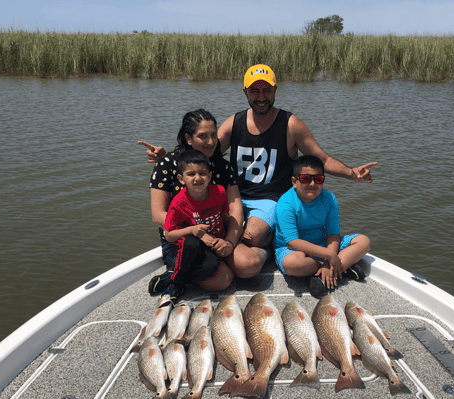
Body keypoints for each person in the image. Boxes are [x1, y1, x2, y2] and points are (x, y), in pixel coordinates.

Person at [139, 64, 377, 279]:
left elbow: (320, 158)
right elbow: (203, 152)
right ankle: (247, 255)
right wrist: (168, 157)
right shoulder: (234, 123)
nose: (261, 97)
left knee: (250, 234)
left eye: (267, 90)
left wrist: (351, 173)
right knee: (230, 231)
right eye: (255, 91)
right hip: (238, 197)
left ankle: (270, 250)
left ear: (275, 90)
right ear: (245, 92)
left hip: (271, 200)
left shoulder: (291, 124)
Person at [140, 109, 241, 297]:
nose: (211, 142)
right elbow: (158, 215)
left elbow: (234, 207)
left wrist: (229, 241)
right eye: (202, 136)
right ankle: (175, 276)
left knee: (247, 266)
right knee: (222, 280)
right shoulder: (167, 164)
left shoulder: (221, 166)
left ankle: (187, 272)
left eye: (213, 135)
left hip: (218, 232)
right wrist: (201, 235)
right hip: (183, 240)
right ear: (188, 138)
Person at [274, 155, 371, 298]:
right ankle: (340, 268)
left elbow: (332, 235)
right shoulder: (285, 204)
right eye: (306, 178)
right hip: (291, 249)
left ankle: (324, 273)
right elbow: (292, 242)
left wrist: (327, 262)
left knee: (363, 241)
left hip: (321, 243)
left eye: (318, 179)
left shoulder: (329, 199)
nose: (313, 183)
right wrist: (330, 255)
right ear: (294, 181)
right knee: (294, 264)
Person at [151, 150, 235, 299]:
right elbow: (169, 235)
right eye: (191, 174)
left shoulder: (220, 192)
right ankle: (176, 282)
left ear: (210, 176)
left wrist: (236, 233)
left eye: (202, 173)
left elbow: (224, 215)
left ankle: (173, 275)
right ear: (181, 178)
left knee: (211, 267)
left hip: (214, 241)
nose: (197, 178)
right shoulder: (178, 203)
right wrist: (192, 230)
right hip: (194, 244)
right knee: (190, 244)